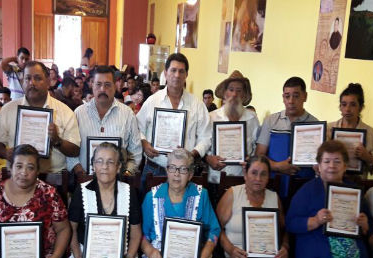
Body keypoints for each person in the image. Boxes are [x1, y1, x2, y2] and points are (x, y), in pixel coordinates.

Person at [0, 61, 80, 175]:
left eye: (37, 78)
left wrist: (57, 140)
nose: (32, 83)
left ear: (48, 82)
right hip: (17, 178)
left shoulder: (64, 111)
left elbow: (75, 150)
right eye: (27, 78)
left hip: (53, 178)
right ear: (22, 82)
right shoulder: (8, 109)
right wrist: (5, 153)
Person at [137, 53, 212, 186]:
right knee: (150, 206)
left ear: (186, 75)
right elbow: (137, 128)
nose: (177, 75)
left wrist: (192, 154)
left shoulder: (197, 105)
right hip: (154, 169)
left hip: (185, 173)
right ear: (165, 73)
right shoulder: (152, 101)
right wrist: (144, 143)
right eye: (173, 70)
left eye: (181, 71)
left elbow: (206, 137)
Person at [69, 66, 142, 178]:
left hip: (118, 183)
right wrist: (79, 172)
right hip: (84, 180)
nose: (102, 89)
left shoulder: (127, 114)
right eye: (98, 84)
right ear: (92, 85)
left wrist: (126, 174)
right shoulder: (79, 113)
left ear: (115, 86)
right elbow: (71, 150)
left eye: (107, 85)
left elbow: (135, 152)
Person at [256, 77, 318, 199]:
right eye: (287, 96)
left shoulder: (315, 124)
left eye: (296, 96)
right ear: (283, 98)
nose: (291, 101)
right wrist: (278, 166)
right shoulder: (271, 121)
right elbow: (259, 155)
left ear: (305, 96)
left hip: (303, 185)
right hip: (273, 183)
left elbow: (318, 160)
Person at [205, 70, 259, 185]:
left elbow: (257, 148)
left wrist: (251, 160)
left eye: (239, 90)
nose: (234, 94)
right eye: (231, 90)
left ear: (244, 95)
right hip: (216, 180)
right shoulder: (212, 117)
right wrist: (209, 159)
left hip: (243, 180)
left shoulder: (252, 118)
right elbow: (203, 146)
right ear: (225, 93)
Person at [327, 83, 373, 179]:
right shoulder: (329, 129)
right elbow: (319, 158)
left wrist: (367, 157)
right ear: (340, 107)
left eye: (353, 105)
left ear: (360, 108)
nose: (347, 109)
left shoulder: (369, 132)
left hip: (357, 184)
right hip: (332, 181)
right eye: (344, 105)